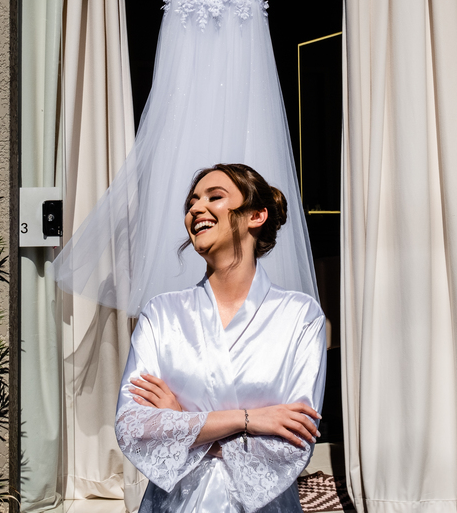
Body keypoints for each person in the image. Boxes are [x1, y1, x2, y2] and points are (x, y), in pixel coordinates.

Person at [115, 163, 327, 513]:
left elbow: (294, 443)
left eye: (214, 197)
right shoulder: (161, 315)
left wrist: (183, 423)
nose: (196, 208)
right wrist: (247, 419)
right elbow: (133, 426)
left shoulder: (300, 317)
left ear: (256, 215)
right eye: (191, 202)